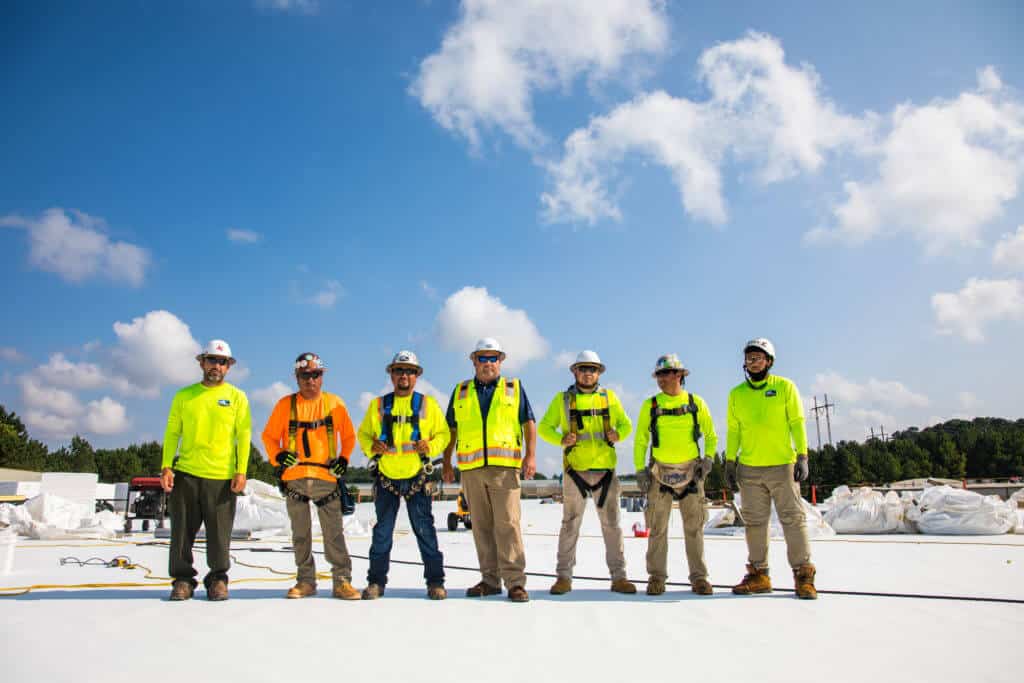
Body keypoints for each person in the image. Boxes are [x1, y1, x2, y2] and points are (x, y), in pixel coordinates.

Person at [442, 338, 537, 602]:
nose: (487, 364)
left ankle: (515, 582)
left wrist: (530, 456)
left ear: (500, 361)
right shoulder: (460, 391)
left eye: (492, 358)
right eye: (482, 358)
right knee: (481, 526)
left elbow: (529, 421)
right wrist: (447, 462)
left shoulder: (513, 388)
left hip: (505, 468)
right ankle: (490, 580)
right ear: (473, 361)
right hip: (471, 470)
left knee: (508, 524)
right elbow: (451, 429)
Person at [261, 352, 360, 600]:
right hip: (295, 479)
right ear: (297, 377)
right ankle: (306, 581)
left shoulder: (334, 404)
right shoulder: (286, 405)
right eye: (305, 375)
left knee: (334, 534)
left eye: (315, 375)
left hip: (325, 479)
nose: (310, 380)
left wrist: (344, 459)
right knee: (300, 534)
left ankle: (342, 581)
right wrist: (278, 457)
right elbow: (269, 437)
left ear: (322, 377)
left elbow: (348, 436)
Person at [724, 338, 817, 599]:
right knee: (754, 523)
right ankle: (759, 574)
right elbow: (733, 431)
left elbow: (797, 422)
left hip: (781, 466)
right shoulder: (736, 394)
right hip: (750, 468)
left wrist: (802, 455)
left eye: (758, 358)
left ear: (769, 361)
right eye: (749, 358)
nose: (753, 363)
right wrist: (731, 461)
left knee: (793, 520)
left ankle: (803, 575)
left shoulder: (785, 387)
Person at [538, 350, 635, 595]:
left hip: (605, 472)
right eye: (583, 368)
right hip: (575, 473)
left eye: (592, 369)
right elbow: (543, 428)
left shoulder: (609, 397)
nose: (588, 373)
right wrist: (561, 439)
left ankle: (619, 577)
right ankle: (563, 577)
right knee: (570, 525)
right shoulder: (562, 400)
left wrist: (618, 434)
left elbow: (626, 424)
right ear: (574, 371)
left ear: (599, 373)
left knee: (612, 525)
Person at [162, 339, 251, 601]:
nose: (216, 366)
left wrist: (241, 470)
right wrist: (167, 466)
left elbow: (243, 436)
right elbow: (172, 433)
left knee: (219, 535)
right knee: (181, 532)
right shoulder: (184, 396)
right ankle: (182, 579)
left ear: (228, 367)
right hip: (187, 473)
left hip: (221, 477)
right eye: (212, 360)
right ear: (202, 362)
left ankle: (218, 579)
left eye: (222, 362)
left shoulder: (237, 397)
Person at [357, 351, 450, 600]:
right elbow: (363, 434)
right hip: (386, 477)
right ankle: (376, 582)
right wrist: (371, 448)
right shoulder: (378, 406)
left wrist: (430, 446)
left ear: (416, 376)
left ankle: (435, 582)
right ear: (391, 374)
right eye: (399, 371)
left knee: (425, 531)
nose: (404, 375)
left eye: (409, 371)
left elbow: (443, 434)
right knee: (382, 533)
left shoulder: (428, 405)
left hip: (417, 478)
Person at [633, 354, 717, 596]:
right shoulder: (650, 406)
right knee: (657, 528)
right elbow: (640, 441)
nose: (660, 379)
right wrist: (640, 469)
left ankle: (699, 578)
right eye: (658, 374)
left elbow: (711, 435)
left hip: (691, 473)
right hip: (660, 473)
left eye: (665, 373)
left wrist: (708, 458)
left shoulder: (696, 403)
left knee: (694, 527)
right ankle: (656, 578)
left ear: (679, 375)